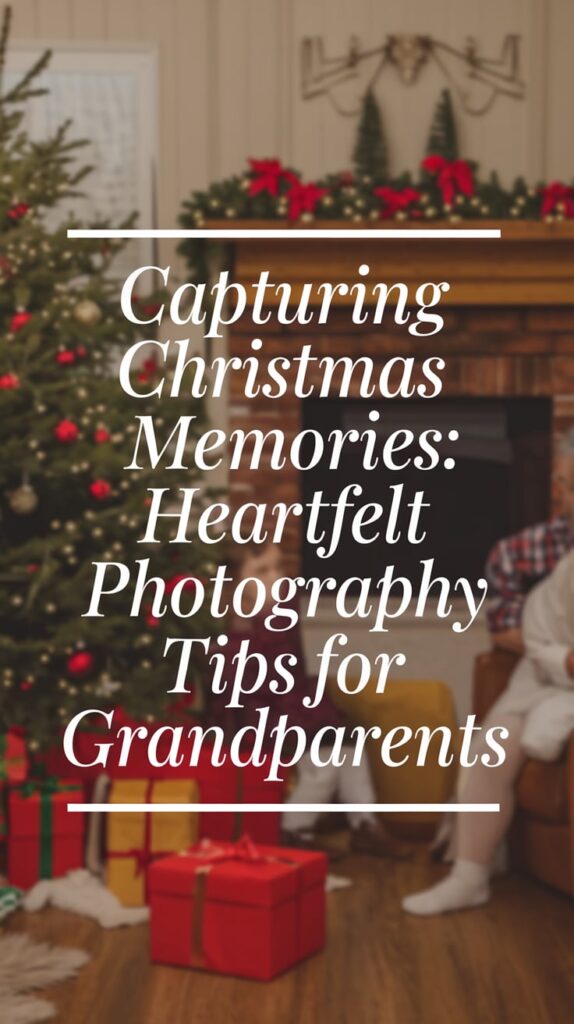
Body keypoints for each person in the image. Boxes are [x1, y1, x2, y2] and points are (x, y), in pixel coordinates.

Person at [402, 547, 574, 915]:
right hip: (546, 682)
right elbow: (539, 640)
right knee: (489, 750)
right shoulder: (562, 572)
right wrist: (565, 661)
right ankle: (469, 877)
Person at [213, 540, 409, 859]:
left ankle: (365, 825)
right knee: (325, 760)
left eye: (279, 568)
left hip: (291, 710)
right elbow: (244, 703)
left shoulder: (281, 617)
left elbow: (293, 677)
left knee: (348, 742)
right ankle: (291, 829)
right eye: (262, 572)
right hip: (257, 726)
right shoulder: (233, 640)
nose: (276, 578)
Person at [485, 428, 574, 654]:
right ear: (558, 486)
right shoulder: (516, 552)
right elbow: (504, 627)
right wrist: (561, 660)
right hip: (548, 677)